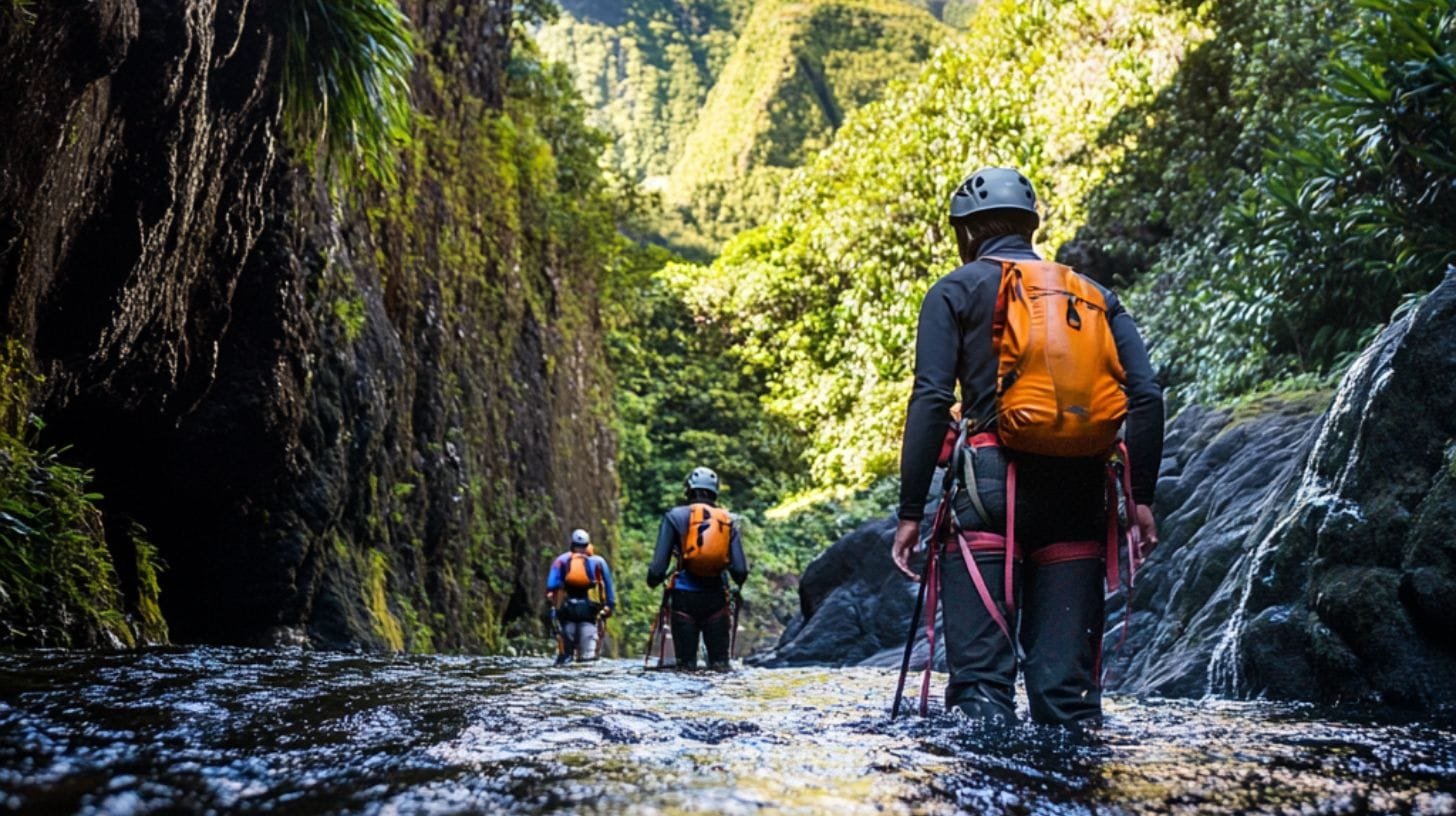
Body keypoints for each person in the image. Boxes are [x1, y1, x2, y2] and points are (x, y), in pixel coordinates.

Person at [891, 167, 1163, 728]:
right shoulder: (1095, 297)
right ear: (1031, 225)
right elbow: (1147, 396)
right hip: (1079, 496)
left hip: (989, 488)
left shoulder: (955, 291)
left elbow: (930, 399)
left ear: (967, 233)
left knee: (982, 693)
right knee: (1067, 697)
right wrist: (1139, 499)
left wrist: (911, 513)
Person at [647, 467, 748, 670]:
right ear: (715, 492)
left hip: (684, 599)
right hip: (717, 598)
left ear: (689, 490)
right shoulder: (728, 520)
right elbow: (740, 571)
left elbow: (658, 569)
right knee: (720, 668)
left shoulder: (674, 517)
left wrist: (653, 581)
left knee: (685, 668)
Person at [545, 528, 616, 664]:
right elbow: (609, 591)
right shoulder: (598, 562)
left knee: (566, 658)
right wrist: (608, 608)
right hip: (589, 615)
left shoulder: (561, 561)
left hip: (567, 614)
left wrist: (555, 608)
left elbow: (551, 587)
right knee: (588, 660)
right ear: (588, 545)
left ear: (572, 545)